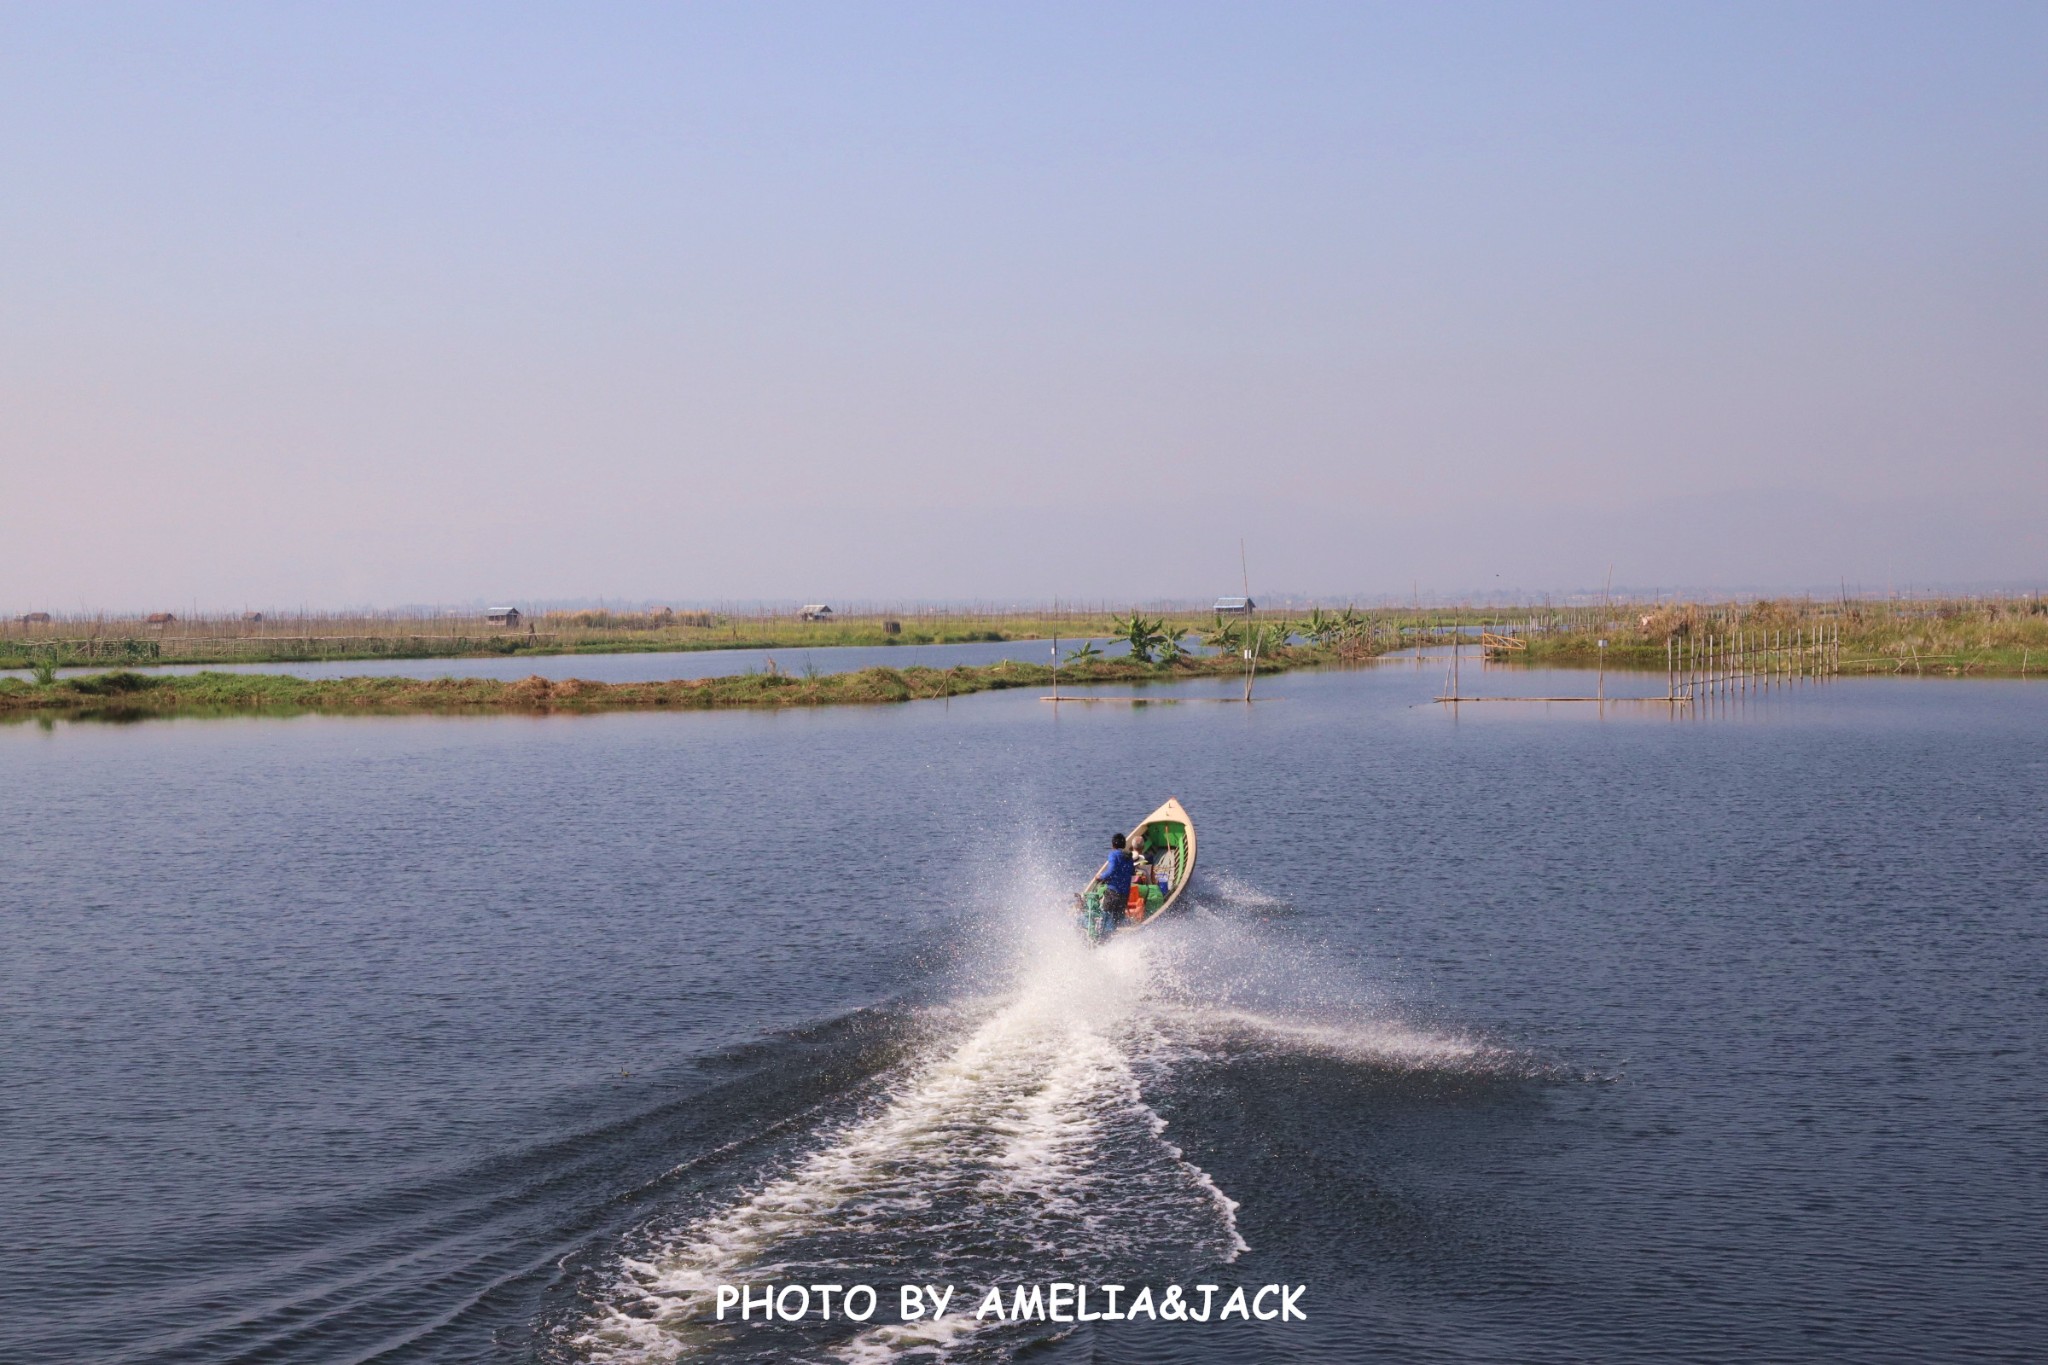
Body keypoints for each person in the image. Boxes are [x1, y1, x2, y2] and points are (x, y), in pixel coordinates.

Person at [1090, 832, 1136, 933]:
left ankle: (1102, 937)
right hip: (1124, 894)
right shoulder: (1129, 857)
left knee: (1106, 915)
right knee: (1118, 918)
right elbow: (1132, 871)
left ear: (1113, 845)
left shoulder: (1113, 854)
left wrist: (1100, 877)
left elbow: (1111, 871)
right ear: (1124, 845)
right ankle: (1115, 937)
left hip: (1113, 893)